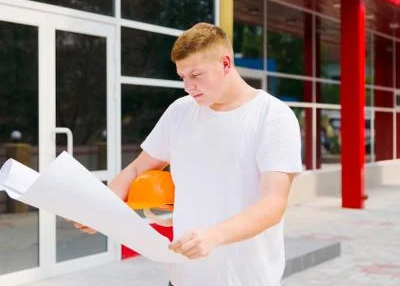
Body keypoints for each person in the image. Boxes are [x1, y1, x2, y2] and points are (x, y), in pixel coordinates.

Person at [74, 22, 302, 286]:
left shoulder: (272, 117)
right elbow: (137, 169)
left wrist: (215, 235)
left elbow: (273, 204)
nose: (188, 86)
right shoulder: (180, 112)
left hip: (245, 279)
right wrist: (99, 211)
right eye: (183, 77)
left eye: (196, 75)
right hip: (183, 277)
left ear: (225, 64)